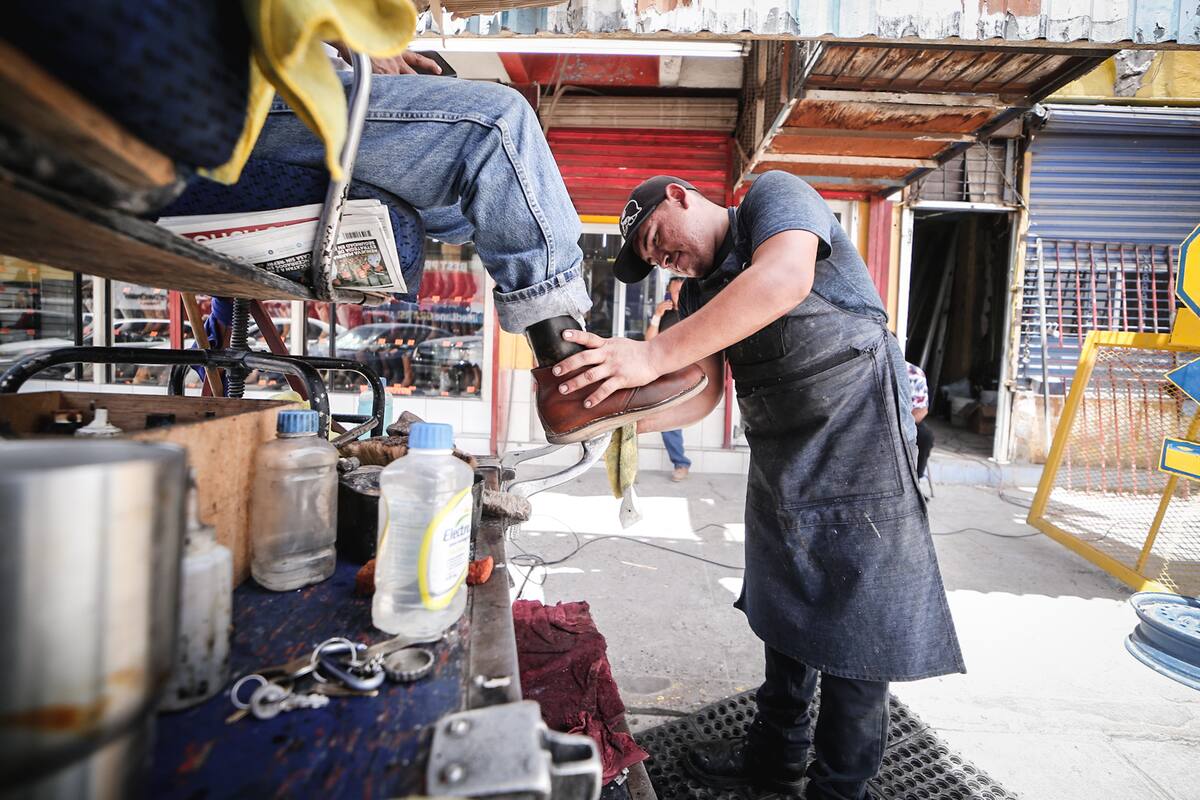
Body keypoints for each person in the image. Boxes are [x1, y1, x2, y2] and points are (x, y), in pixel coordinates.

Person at [548, 172, 964, 799]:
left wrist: (649, 356)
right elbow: (705, 394)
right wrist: (618, 419)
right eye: (650, 260)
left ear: (681, 195)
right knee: (783, 613)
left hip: (863, 452)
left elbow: (784, 280)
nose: (660, 258)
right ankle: (774, 761)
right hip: (783, 461)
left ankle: (839, 788)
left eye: (657, 237)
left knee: (858, 631)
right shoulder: (696, 297)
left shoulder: (776, 199)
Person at [249, 53, 705, 443]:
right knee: (499, 125)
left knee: (493, 193)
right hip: (249, 88)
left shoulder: (749, 228)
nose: (663, 262)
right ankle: (569, 376)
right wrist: (357, 35)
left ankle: (572, 373)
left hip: (301, 76)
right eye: (653, 246)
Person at [644, 276, 692, 481]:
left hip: (685, 372)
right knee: (664, 419)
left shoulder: (693, 313)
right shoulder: (664, 315)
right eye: (674, 291)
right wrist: (656, 315)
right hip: (663, 373)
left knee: (671, 420)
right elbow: (649, 341)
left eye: (681, 291)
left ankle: (681, 463)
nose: (677, 295)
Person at [908, 361, 934, 480]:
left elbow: (922, 411)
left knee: (925, 436)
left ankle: (915, 482)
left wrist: (903, 426)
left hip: (907, 421)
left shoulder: (914, 373)